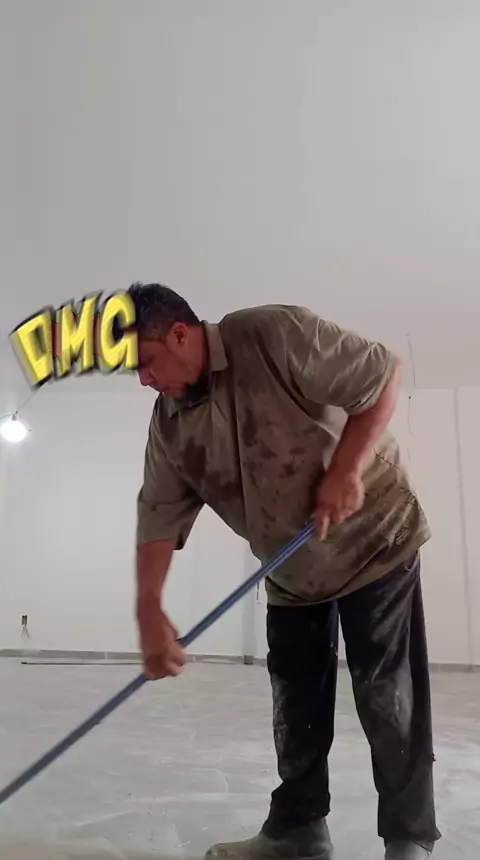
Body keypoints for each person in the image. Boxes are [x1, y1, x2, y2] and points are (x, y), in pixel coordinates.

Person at [130, 282, 440, 860]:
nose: (145, 380)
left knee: (387, 694)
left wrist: (347, 469)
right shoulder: (169, 423)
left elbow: (382, 376)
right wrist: (149, 606)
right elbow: (158, 513)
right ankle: (299, 831)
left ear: (179, 334)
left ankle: (407, 840)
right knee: (295, 701)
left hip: (375, 537)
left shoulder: (270, 334)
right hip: (291, 566)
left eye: (147, 362)